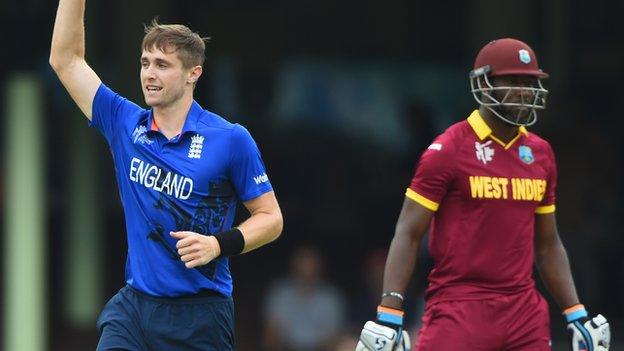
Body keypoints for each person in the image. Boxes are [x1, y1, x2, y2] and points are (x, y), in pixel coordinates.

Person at [50, 1, 283, 350]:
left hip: (200, 315)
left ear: (194, 73)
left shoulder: (231, 139)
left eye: (162, 65)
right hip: (134, 308)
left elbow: (271, 218)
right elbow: (66, 60)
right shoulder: (124, 122)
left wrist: (218, 244)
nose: (149, 74)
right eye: (145, 63)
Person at [356, 38, 611, 351]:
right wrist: (390, 311)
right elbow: (408, 232)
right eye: (514, 81)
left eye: (531, 82)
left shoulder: (540, 153)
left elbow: (547, 244)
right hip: (459, 305)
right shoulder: (449, 149)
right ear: (485, 85)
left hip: (524, 312)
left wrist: (576, 312)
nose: (525, 91)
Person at [263, 245, 346, 351]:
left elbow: (333, 338)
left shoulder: (331, 297)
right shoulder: (280, 294)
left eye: (311, 264)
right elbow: (271, 335)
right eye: (302, 263)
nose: (306, 270)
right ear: (294, 266)